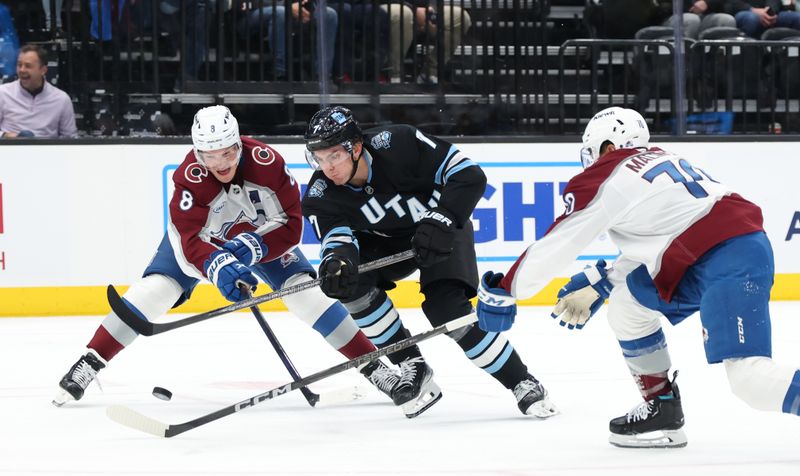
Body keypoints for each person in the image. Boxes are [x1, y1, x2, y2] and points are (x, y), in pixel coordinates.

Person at [477, 106, 800, 448]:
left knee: (750, 379)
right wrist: (604, 282)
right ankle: (662, 409)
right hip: (714, 252)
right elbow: (664, 235)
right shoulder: (660, 160)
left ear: (607, 145)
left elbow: (559, 241)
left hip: (726, 258)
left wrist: (505, 289)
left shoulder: (608, 172)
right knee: (627, 306)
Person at [53, 105, 403, 409]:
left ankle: (375, 367)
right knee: (154, 291)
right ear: (197, 153)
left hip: (260, 237)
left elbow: (291, 226)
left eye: (227, 152)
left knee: (305, 294)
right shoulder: (188, 180)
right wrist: (217, 265)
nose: (220, 163)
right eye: (209, 155)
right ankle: (89, 363)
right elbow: (189, 242)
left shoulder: (268, 164)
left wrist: (255, 247)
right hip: (203, 245)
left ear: (239, 144)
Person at [301, 105, 559, 419]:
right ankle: (412, 365)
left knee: (446, 310)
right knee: (348, 285)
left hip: (441, 230)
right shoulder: (320, 193)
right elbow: (337, 240)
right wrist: (336, 261)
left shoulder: (399, 143)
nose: (327, 167)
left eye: (334, 156)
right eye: (319, 158)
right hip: (385, 245)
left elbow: (469, 175)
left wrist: (444, 217)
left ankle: (522, 380)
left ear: (355, 148)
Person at [237, 0, 338, 81]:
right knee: (281, 12)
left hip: (289, 11)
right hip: (251, 14)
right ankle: (279, 73)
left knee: (329, 14)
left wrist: (305, 5)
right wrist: (288, 5)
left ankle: (321, 76)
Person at [0, 44, 77, 138]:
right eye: (19, 65)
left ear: (43, 70)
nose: (22, 70)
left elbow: (70, 138)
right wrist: (6, 135)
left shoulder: (61, 99)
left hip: (47, 150)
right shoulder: (3, 93)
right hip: (9, 149)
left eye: (28, 66)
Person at [661, 0, 737, 39]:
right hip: (675, 16)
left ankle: (717, 61)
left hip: (705, 16)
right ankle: (687, 60)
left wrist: (707, 2)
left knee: (727, 20)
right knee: (692, 20)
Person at [727, 0, 800, 38]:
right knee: (751, 19)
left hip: (767, 11)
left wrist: (770, 10)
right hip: (743, 11)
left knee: (797, 18)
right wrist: (752, 10)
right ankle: (750, 59)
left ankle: (790, 62)